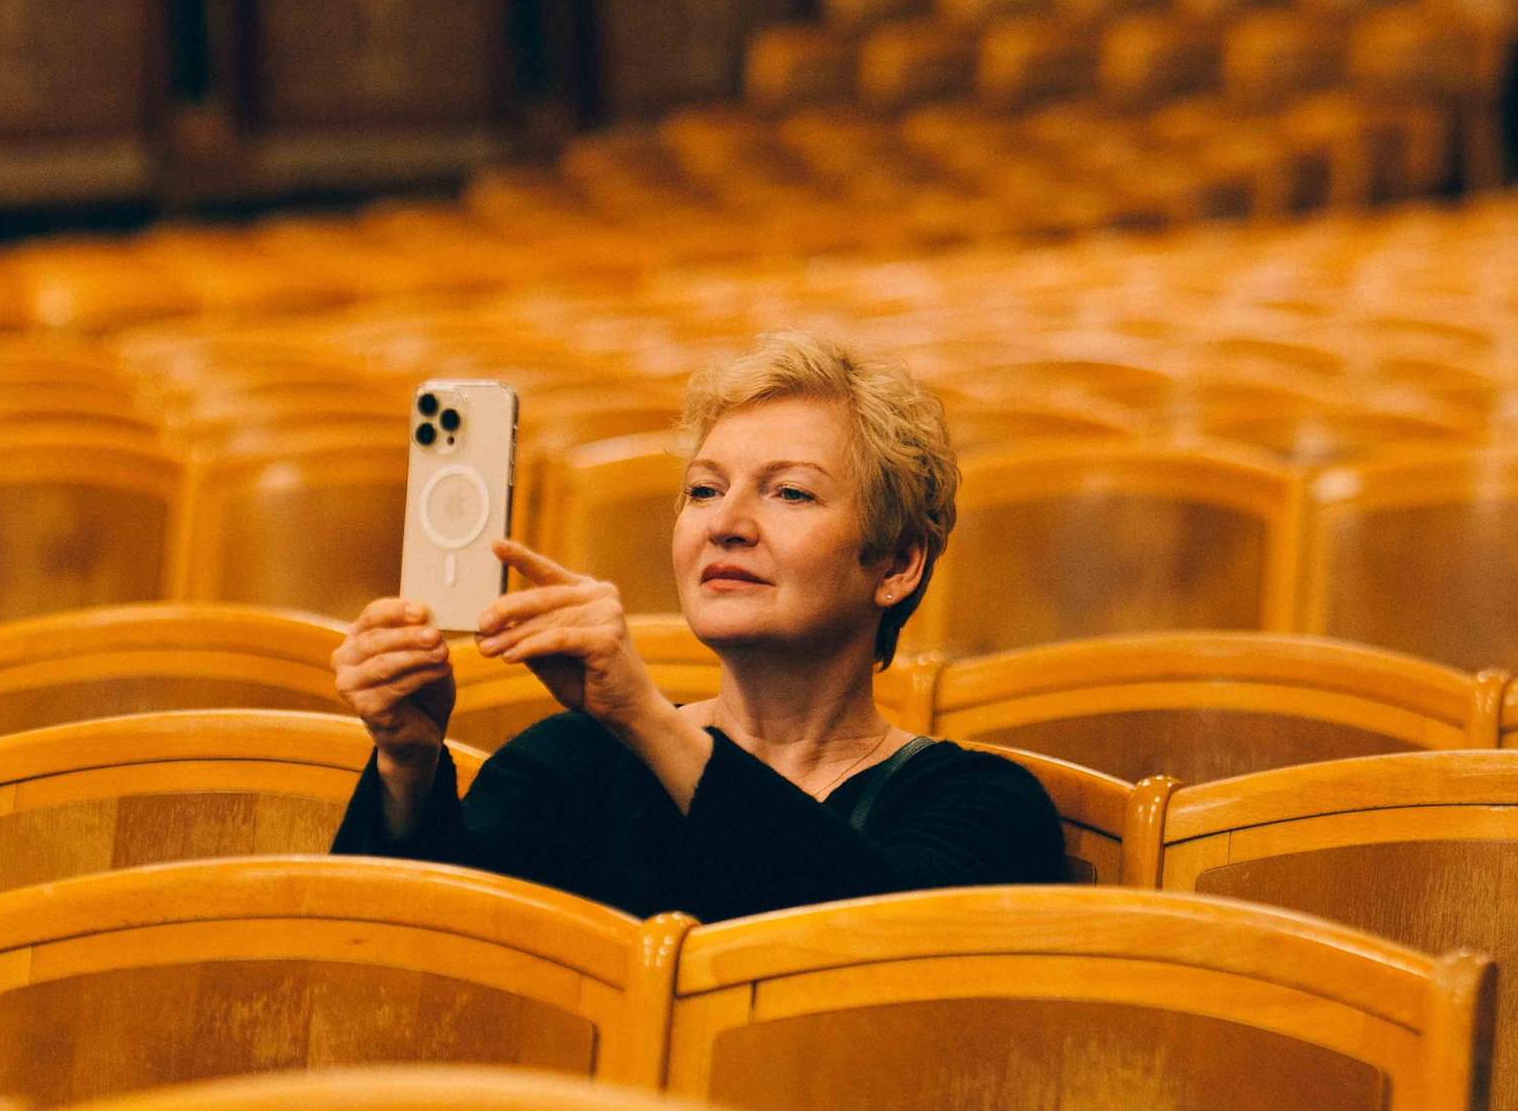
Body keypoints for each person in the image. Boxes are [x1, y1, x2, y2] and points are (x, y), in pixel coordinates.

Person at [331, 331, 1065, 921]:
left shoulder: (982, 804)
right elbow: (409, 964)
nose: (726, 523)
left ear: (897, 563)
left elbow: (866, 935)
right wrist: (407, 767)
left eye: (791, 492)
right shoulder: (576, 763)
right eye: (704, 489)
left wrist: (645, 717)